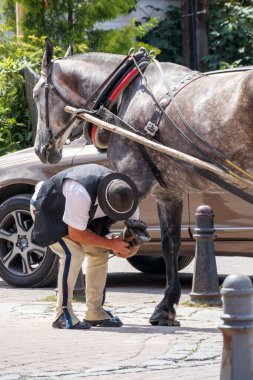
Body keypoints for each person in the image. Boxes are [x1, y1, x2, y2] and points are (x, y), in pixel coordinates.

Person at [31, 164, 142, 330]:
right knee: (72, 254)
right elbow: (76, 234)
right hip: (49, 210)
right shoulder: (81, 192)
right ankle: (61, 313)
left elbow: (135, 231)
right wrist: (112, 243)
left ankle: (94, 311)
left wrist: (130, 247)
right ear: (104, 203)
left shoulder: (125, 195)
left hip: (79, 216)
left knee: (99, 252)